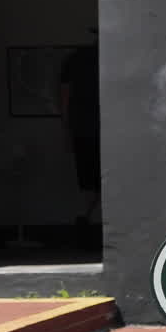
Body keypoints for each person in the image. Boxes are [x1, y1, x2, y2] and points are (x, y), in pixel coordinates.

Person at [60, 35, 101, 233]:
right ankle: (88, 218)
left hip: (83, 127)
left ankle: (87, 217)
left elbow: (65, 96)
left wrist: (66, 126)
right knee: (95, 179)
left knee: (88, 179)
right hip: (95, 126)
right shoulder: (114, 56)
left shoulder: (75, 59)